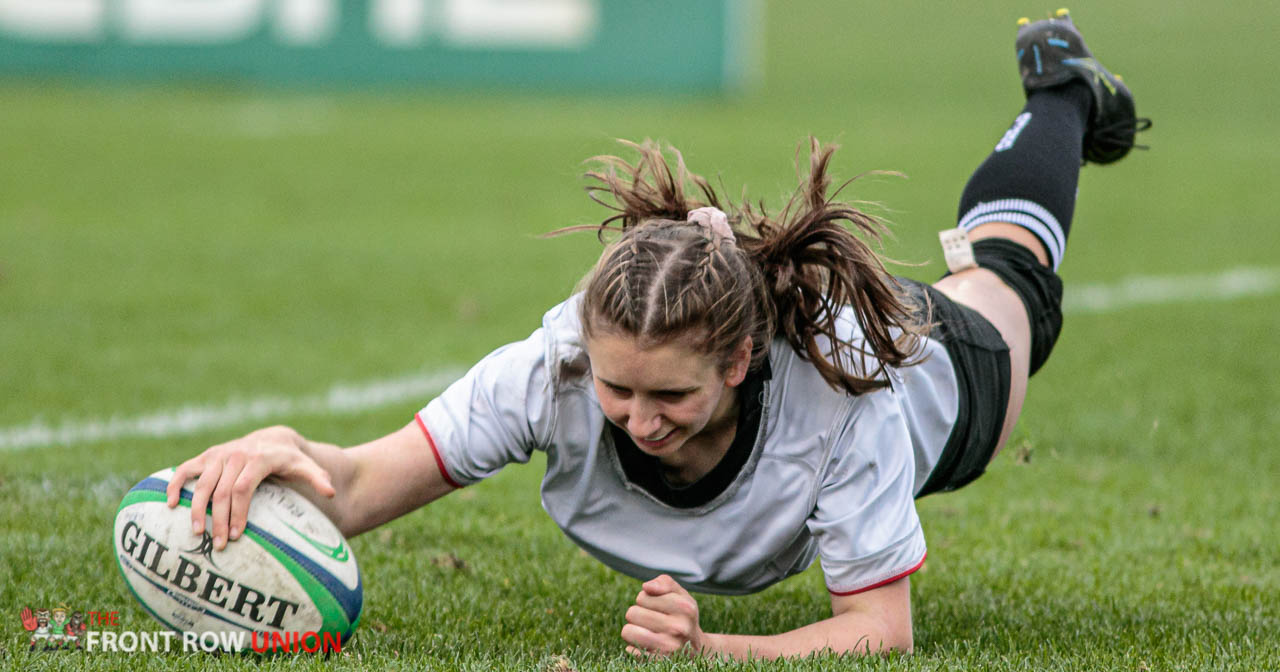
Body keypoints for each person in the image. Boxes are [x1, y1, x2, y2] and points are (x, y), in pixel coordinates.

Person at [165, 10, 1148, 660]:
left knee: (1008, 273)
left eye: (669, 397)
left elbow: (878, 629)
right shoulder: (549, 371)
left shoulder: (844, 401)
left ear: (733, 361)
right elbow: (372, 481)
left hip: (935, 371)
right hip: (779, 307)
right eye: (616, 390)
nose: (636, 421)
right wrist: (285, 468)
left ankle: (1057, 89)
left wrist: (715, 649)